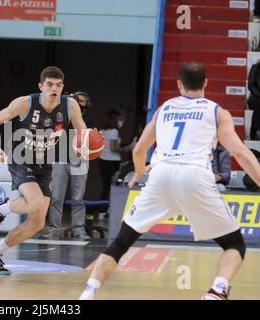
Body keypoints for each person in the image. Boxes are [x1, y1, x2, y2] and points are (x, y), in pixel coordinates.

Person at [79, 62, 260, 300]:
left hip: (160, 175)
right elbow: (240, 153)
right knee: (235, 245)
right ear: (206, 83)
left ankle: (89, 291)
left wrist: (138, 171)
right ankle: (217, 290)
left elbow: (140, 147)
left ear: (179, 84)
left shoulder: (164, 109)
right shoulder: (216, 111)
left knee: (121, 242)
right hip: (194, 175)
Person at [0, 66, 90, 275]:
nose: (54, 89)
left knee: (38, 221)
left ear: (63, 87)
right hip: (20, 157)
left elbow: (81, 131)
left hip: (45, 162)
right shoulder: (25, 103)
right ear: (41, 86)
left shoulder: (70, 105)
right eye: (49, 84)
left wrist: (85, 145)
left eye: (58, 85)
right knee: (35, 204)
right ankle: (1, 209)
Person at [43, 91, 95, 241]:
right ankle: (53, 230)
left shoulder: (89, 121)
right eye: (77, 100)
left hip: (80, 160)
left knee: (78, 198)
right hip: (59, 159)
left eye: (82, 101)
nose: (79, 102)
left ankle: (79, 230)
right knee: (56, 198)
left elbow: (91, 141)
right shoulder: (60, 115)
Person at [99, 110, 134, 200]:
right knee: (114, 186)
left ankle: (102, 209)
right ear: (115, 120)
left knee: (105, 186)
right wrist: (126, 149)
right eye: (119, 119)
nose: (120, 122)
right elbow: (113, 147)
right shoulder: (114, 131)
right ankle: (112, 208)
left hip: (102, 161)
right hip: (113, 162)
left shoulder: (102, 131)